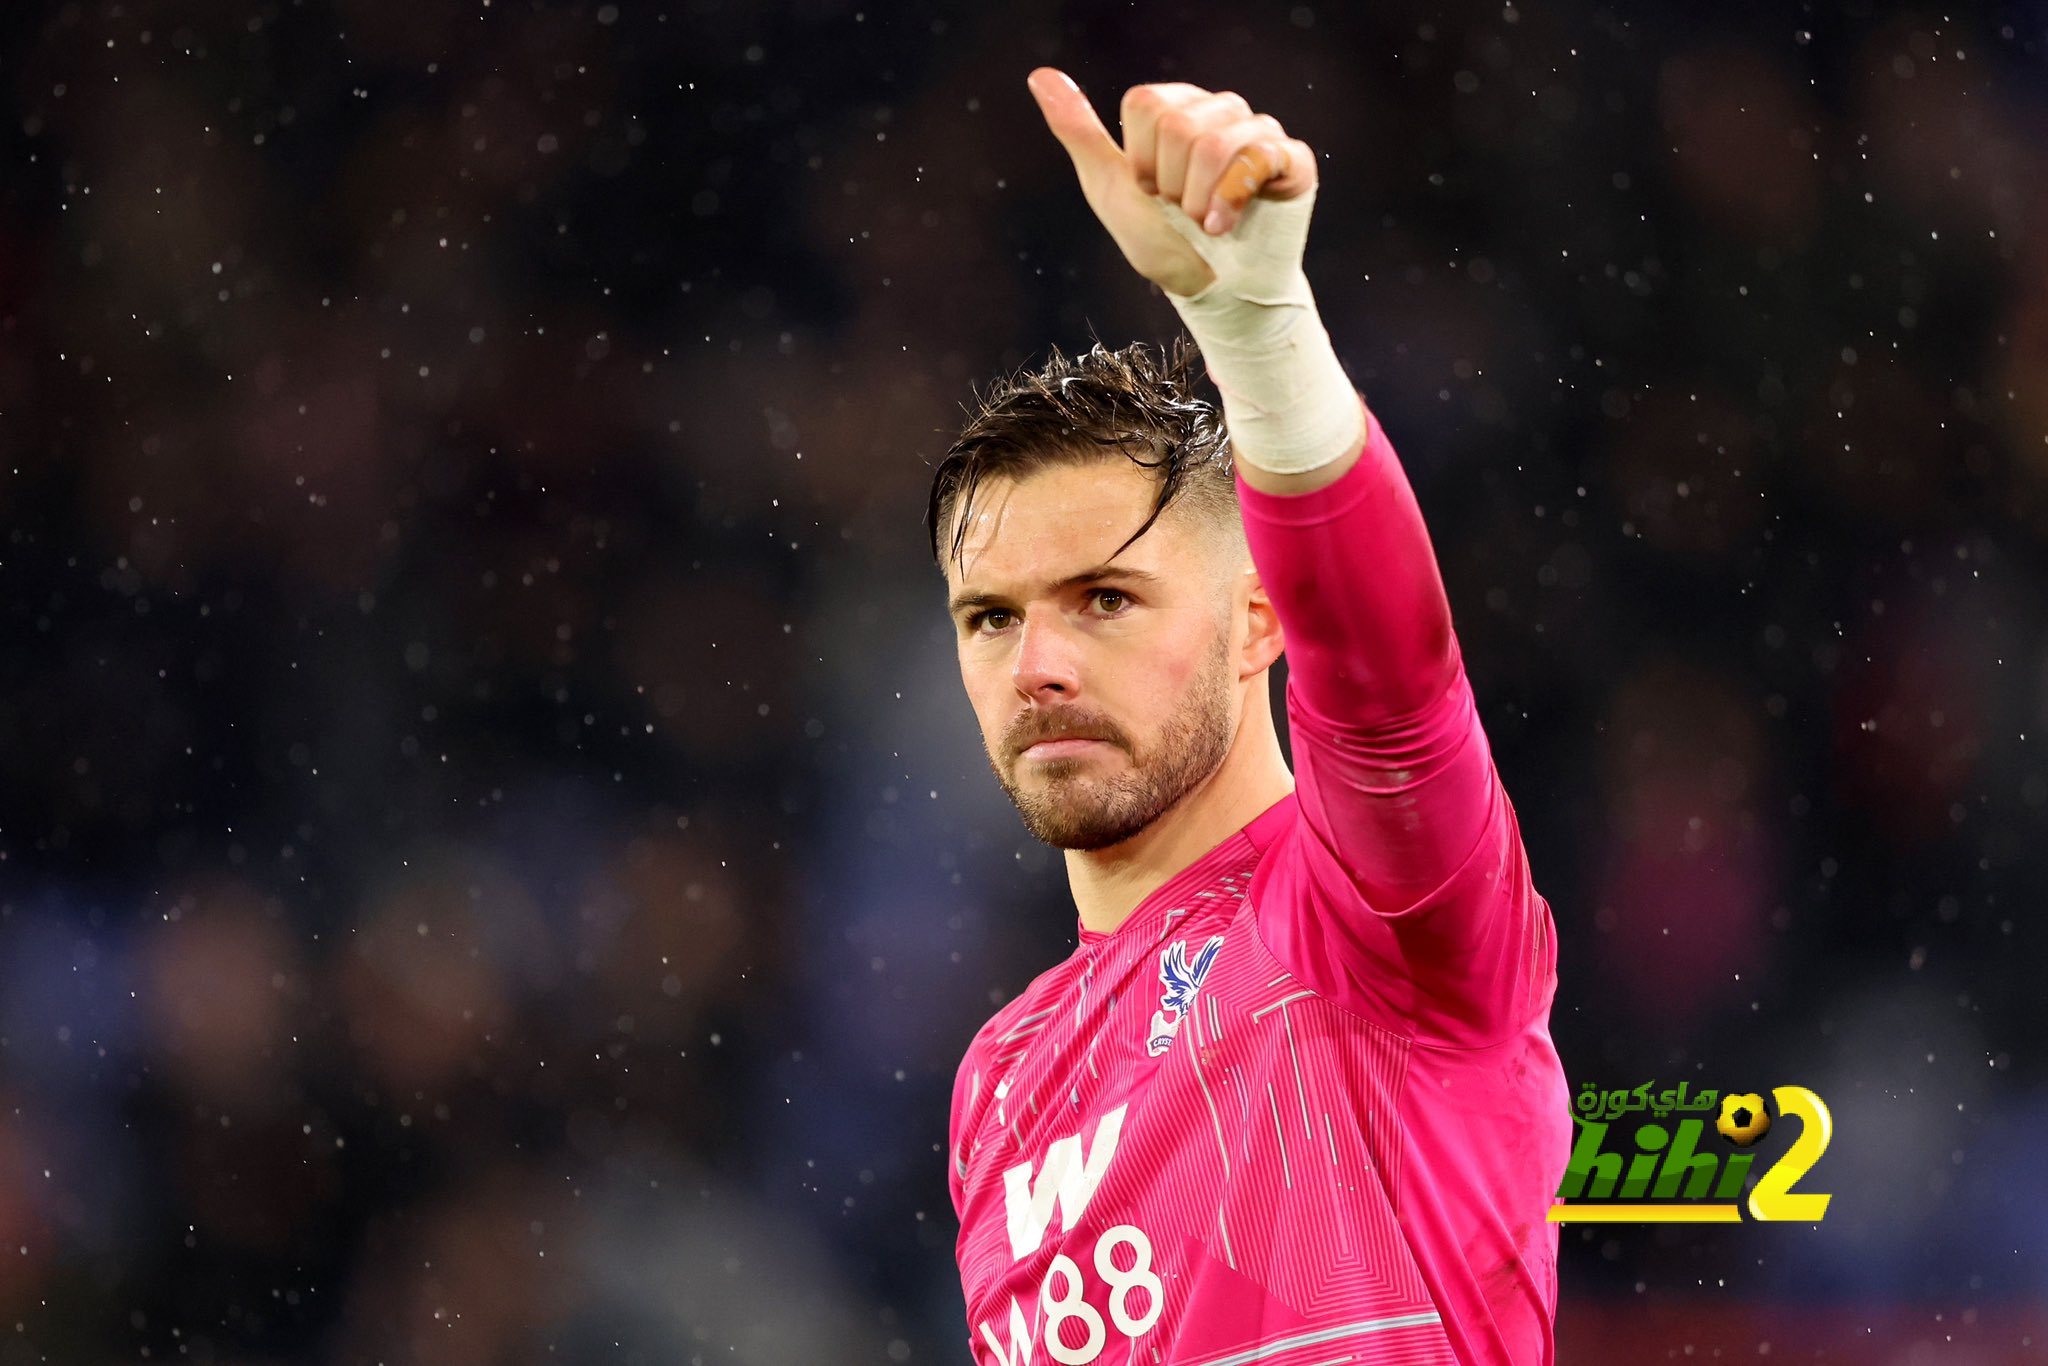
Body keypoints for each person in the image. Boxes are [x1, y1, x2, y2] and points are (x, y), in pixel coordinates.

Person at [929, 68, 1571, 1366]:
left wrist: (1257, 327)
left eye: (1106, 598)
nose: (1037, 663)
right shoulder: (1001, 1078)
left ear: (1262, 619)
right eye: (990, 617)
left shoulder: (1377, 916)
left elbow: (1391, 685)